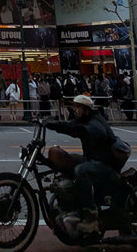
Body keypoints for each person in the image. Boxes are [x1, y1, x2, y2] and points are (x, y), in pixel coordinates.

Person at [47, 95, 127, 237]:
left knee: (81, 170)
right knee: (68, 161)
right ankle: (69, 203)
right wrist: (51, 124)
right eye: (74, 107)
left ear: (86, 109)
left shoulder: (95, 121)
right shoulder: (84, 120)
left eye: (78, 107)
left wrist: (82, 130)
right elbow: (70, 126)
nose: (75, 109)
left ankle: (90, 216)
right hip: (92, 160)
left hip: (105, 164)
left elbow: (91, 130)